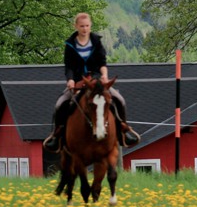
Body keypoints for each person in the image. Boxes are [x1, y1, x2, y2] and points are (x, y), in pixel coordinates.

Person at [44, 12, 141, 152]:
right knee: (60, 104)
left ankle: (124, 130)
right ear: (76, 26)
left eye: (87, 26)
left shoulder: (96, 41)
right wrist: (70, 80)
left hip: (96, 80)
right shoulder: (70, 44)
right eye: (82, 26)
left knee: (119, 99)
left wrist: (105, 75)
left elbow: (102, 62)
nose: (85, 29)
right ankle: (56, 135)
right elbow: (69, 66)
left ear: (90, 26)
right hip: (78, 81)